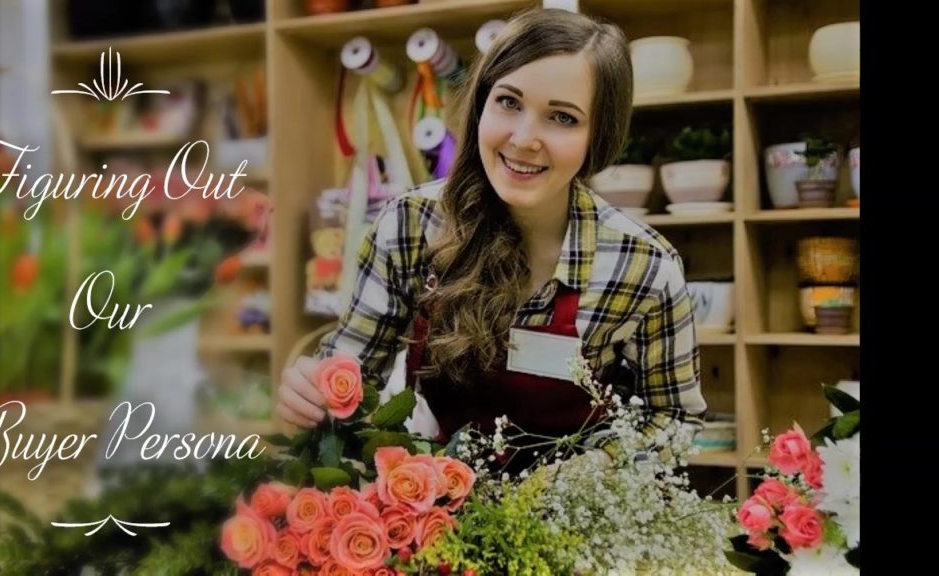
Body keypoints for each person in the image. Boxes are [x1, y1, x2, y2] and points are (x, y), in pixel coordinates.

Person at [276, 8, 707, 466]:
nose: (523, 138)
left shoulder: (642, 265)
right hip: (433, 509)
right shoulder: (410, 225)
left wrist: (594, 471)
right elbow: (351, 375)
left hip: (579, 520)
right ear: (481, 103)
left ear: (598, 136)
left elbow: (674, 419)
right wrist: (313, 393)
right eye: (508, 102)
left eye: (562, 118)